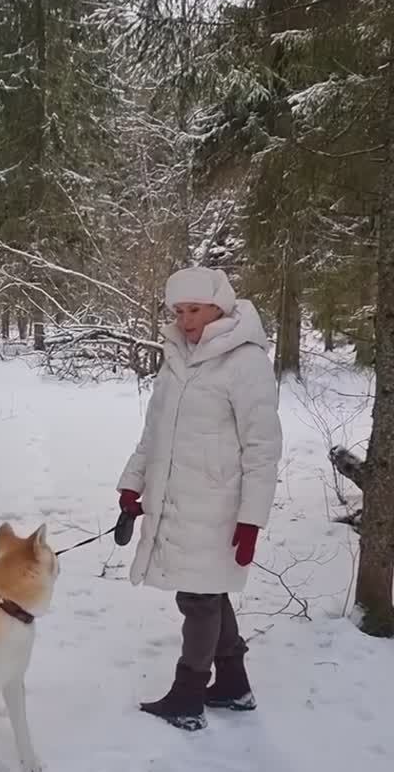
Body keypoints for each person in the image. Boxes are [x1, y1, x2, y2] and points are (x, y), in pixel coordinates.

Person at [117, 266, 282, 731]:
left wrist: (252, 520)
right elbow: (155, 434)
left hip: (219, 506)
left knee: (199, 598)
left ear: (220, 306)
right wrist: (133, 483)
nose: (186, 320)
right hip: (179, 500)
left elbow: (263, 447)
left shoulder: (245, 361)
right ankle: (233, 684)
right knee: (207, 591)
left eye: (195, 309)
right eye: (179, 311)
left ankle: (188, 696)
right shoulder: (176, 358)